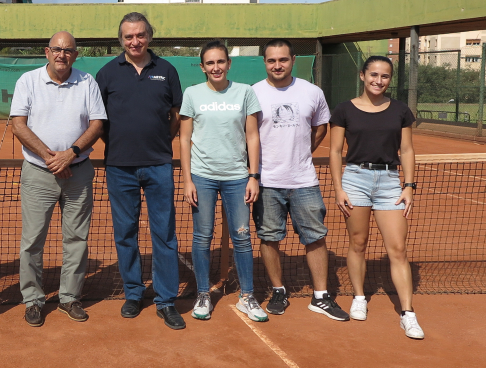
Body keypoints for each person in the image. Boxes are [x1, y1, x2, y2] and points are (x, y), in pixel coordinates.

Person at [95, 13, 185, 330]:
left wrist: (160, 143)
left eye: (140, 35)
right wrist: (118, 144)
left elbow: (176, 116)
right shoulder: (106, 73)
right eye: (129, 36)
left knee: (164, 234)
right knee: (125, 234)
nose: (135, 41)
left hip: (159, 165)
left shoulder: (167, 70)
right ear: (121, 39)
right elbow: (98, 121)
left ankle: (166, 300)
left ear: (150, 36)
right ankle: (133, 293)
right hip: (119, 167)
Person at [10, 32, 106, 326]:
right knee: (32, 240)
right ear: (47, 52)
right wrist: (52, 158)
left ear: (75, 55)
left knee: (76, 239)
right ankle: (33, 300)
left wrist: (71, 153)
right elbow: (18, 125)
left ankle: (70, 297)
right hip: (38, 172)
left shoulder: (87, 82)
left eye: (68, 50)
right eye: (56, 49)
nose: (62, 54)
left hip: (79, 172)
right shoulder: (28, 81)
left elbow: (97, 124)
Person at [252, 39, 349, 321]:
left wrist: (304, 151)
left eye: (283, 59)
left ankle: (320, 296)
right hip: (266, 181)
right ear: (265, 62)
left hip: (304, 180)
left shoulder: (312, 91)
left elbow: (320, 127)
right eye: (271, 60)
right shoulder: (253, 93)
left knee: (315, 237)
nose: (277, 65)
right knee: (269, 238)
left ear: (293, 60)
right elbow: (248, 134)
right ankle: (278, 290)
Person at [329, 55, 422, 339]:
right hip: (355, 180)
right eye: (373, 75)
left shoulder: (401, 111)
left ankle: (408, 313)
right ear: (362, 75)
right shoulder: (344, 110)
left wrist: (409, 186)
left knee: (398, 249)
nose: (378, 81)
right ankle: (359, 297)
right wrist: (338, 189)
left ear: (390, 79)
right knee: (358, 243)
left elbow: (407, 150)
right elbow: (335, 151)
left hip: (390, 183)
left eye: (384, 76)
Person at [179, 40, 267, 322]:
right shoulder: (192, 94)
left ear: (229, 64)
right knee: (202, 237)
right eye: (210, 63)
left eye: (220, 62)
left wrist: (253, 176)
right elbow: (184, 139)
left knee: (242, 236)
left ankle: (247, 296)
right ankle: (203, 294)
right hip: (202, 177)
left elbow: (252, 136)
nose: (215, 67)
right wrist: (187, 180)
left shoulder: (245, 92)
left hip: (237, 178)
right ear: (202, 67)